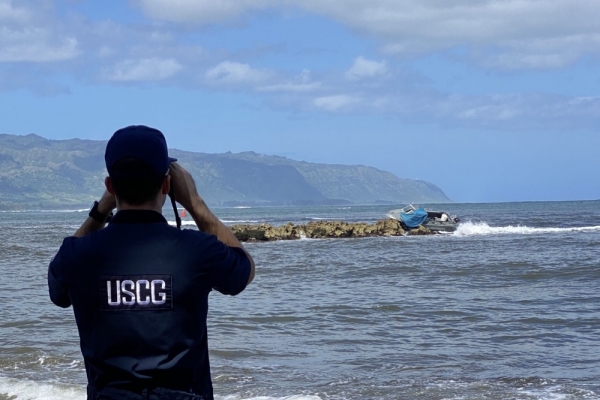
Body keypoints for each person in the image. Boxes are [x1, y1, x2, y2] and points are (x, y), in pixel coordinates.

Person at [48, 125, 255, 400]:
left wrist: (100, 211)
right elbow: (244, 270)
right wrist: (195, 203)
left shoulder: (76, 255)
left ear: (110, 186)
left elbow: (58, 293)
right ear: (167, 186)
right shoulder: (197, 250)